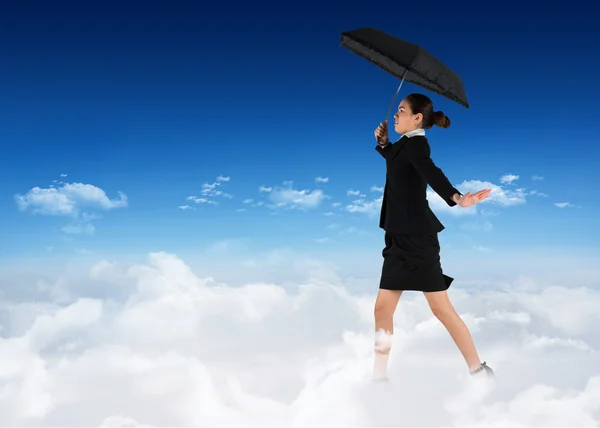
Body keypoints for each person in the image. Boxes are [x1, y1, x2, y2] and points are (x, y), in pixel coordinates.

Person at [372, 93, 495, 382]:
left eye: (401, 111)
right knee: (381, 310)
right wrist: (383, 143)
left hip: (418, 239)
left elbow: (431, 172)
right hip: (397, 239)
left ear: (416, 118)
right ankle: (378, 379)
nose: (395, 115)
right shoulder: (404, 144)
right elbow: (394, 159)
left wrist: (456, 198)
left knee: (441, 309)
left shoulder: (418, 145)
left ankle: (478, 371)